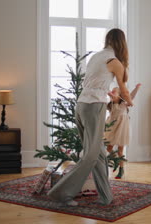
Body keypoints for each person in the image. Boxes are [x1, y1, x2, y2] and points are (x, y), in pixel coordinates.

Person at [47, 28, 133, 206]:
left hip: (81, 106)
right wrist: (130, 101)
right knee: (91, 155)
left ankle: (106, 196)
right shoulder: (115, 61)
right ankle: (61, 192)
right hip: (94, 107)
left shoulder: (97, 56)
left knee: (99, 152)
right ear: (122, 43)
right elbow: (123, 89)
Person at [105, 83, 141, 179]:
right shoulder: (110, 104)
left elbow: (131, 97)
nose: (113, 92)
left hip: (122, 128)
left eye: (115, 91)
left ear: (120, 95)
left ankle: (121, 169)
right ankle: (109, 163)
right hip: (112, 127)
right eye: (112, 91)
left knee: (120, 150)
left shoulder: (123, 103)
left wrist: (136, 88)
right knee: (108, 148)